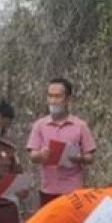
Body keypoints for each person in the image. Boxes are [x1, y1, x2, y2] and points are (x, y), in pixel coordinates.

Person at [26, 78, 96, 208]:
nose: (53, 101)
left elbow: (90, 157)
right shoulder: (40, 125)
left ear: (68, 100)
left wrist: (77, 158)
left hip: (73, 191)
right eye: (50, 96)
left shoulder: (80, 126)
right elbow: (32, 155)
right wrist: (41, 155)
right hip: (48, 190)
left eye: (58, 96)